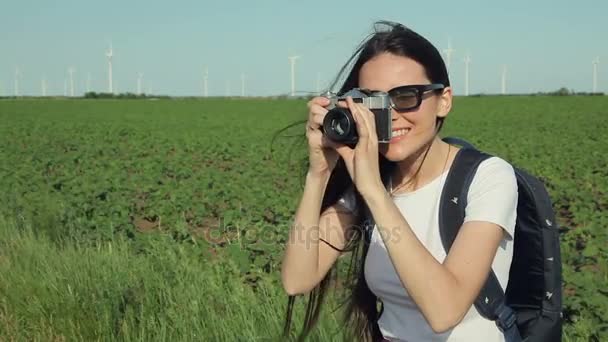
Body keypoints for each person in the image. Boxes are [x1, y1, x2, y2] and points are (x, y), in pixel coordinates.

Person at [280, 21, 518, 342]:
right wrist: (319, 173)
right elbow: (297, 280)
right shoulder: (371, 186)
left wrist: (375, 193)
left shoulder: (488, 178)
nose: (389, 115)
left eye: (405, 97)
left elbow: (444, 311)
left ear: (444, 100)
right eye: (371, 101)